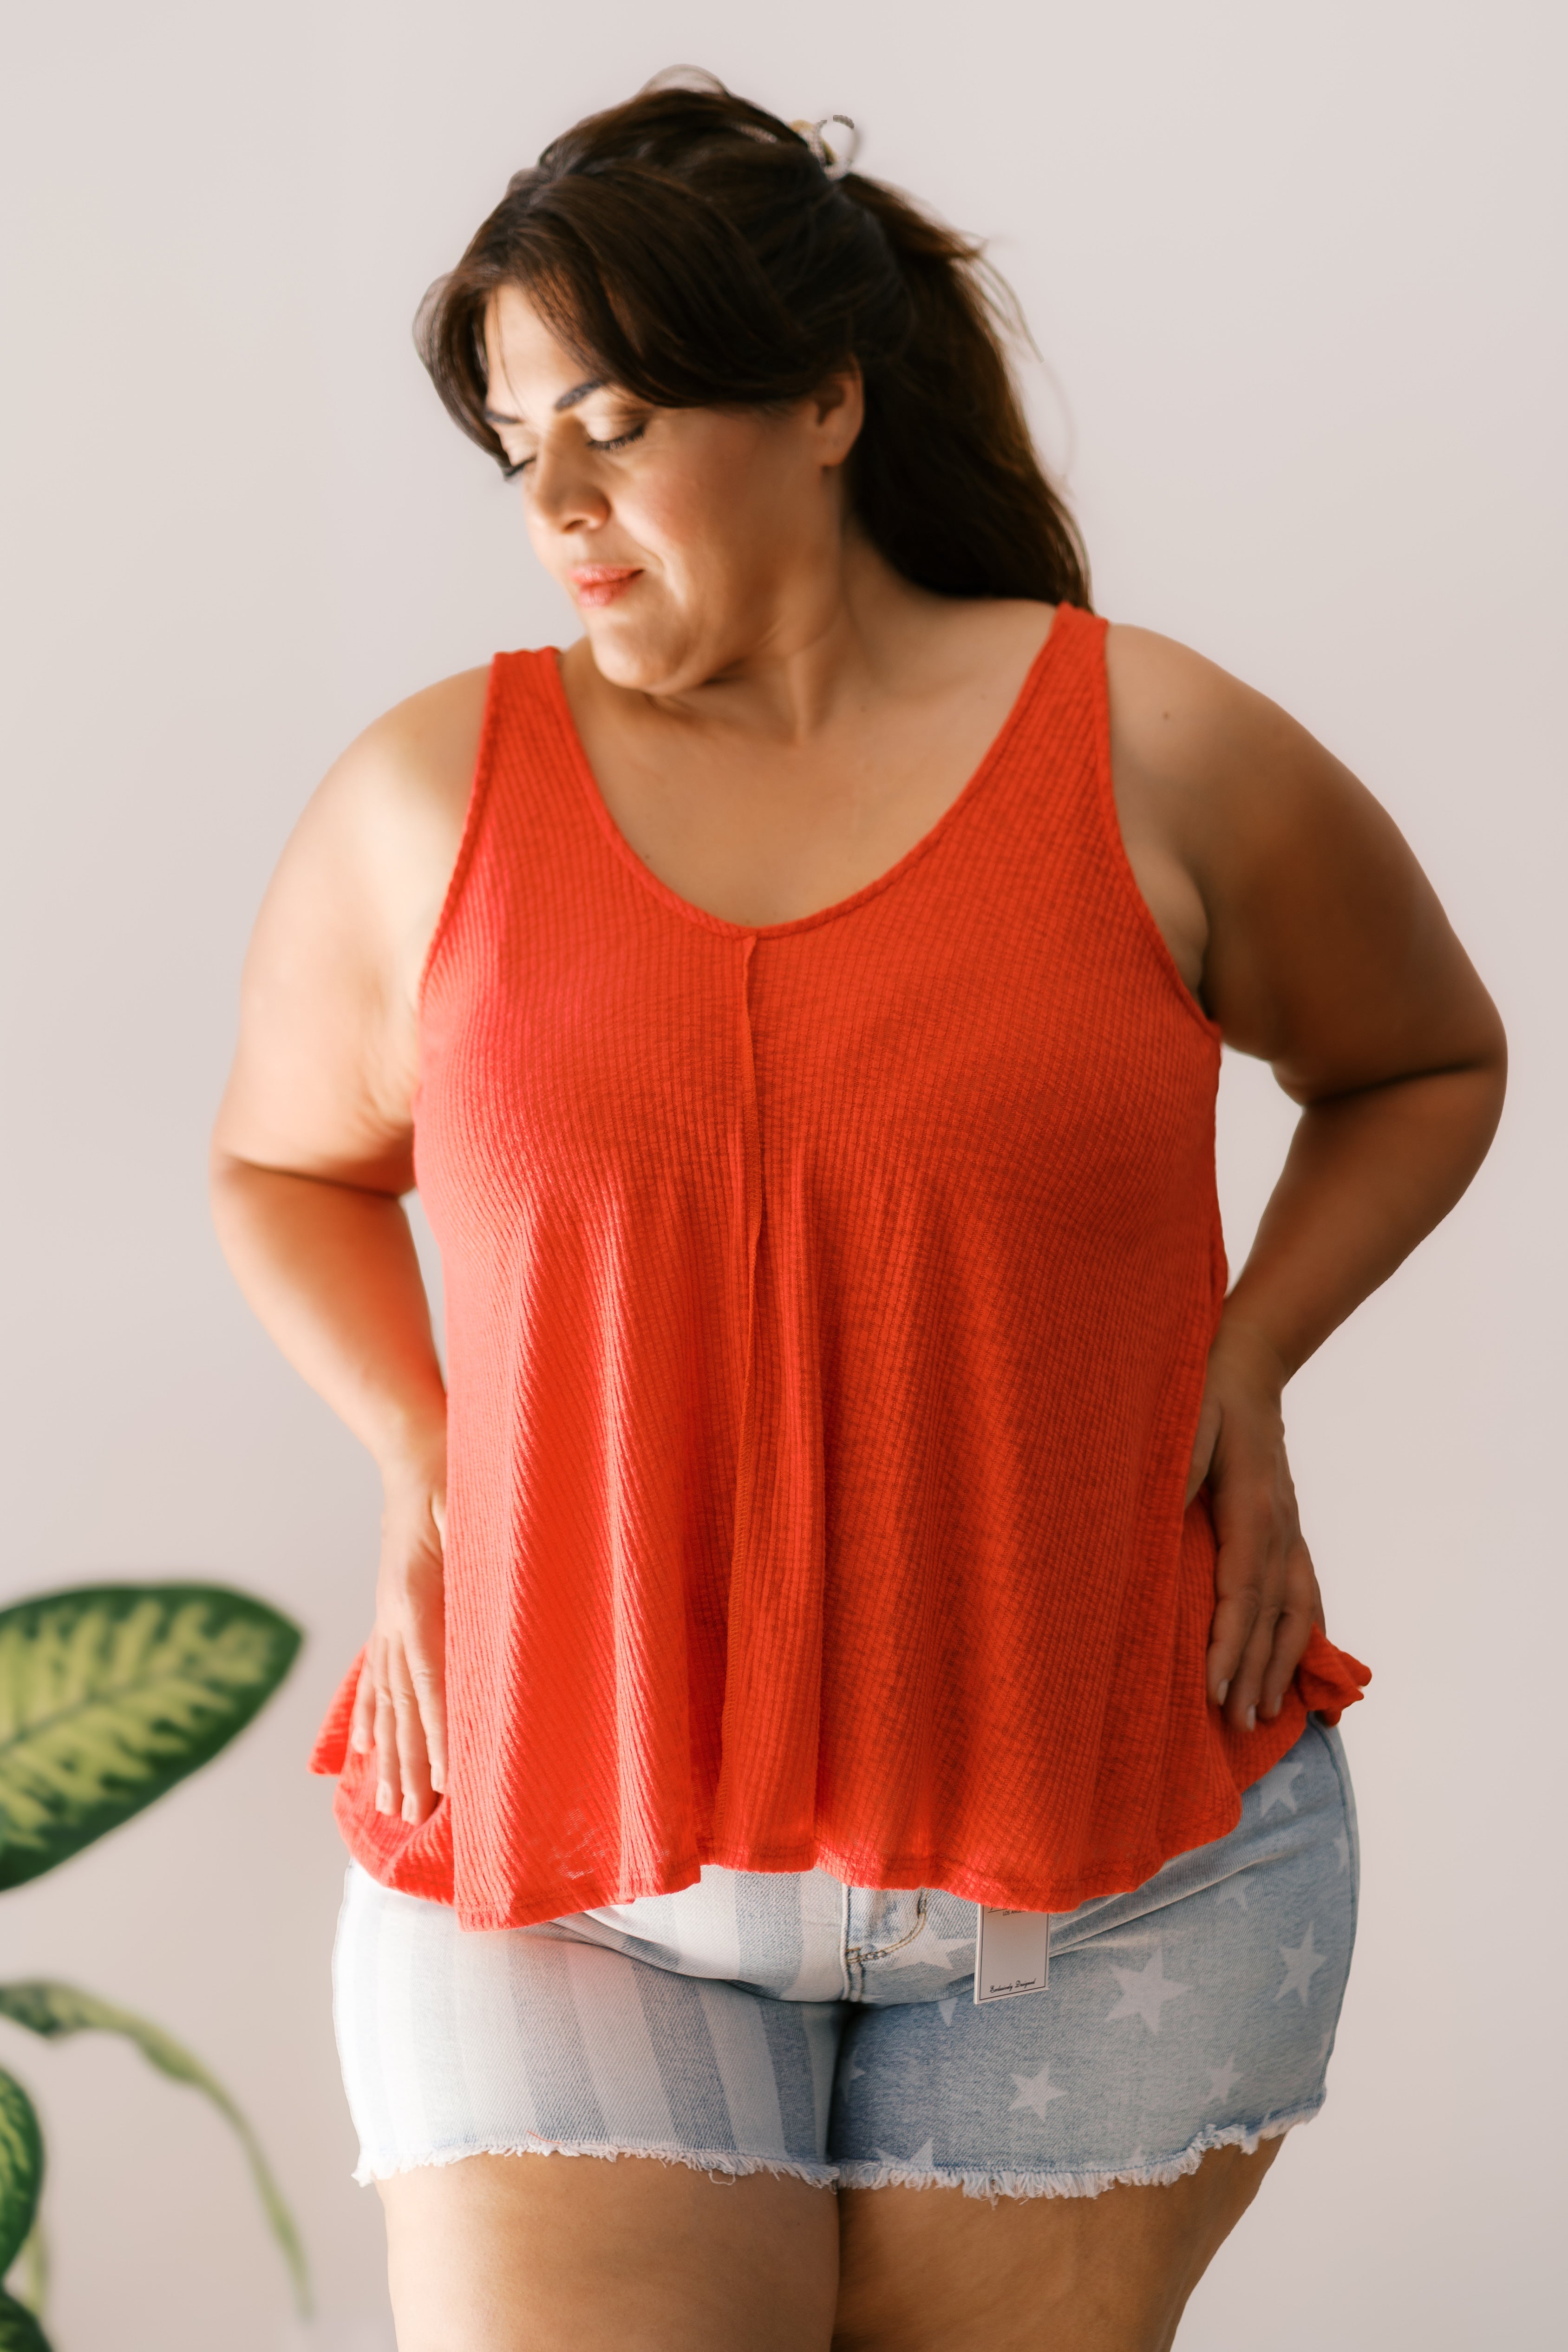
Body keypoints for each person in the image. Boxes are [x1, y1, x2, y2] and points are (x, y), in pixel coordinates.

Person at [210, 70, 1505, 2352]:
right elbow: (283, 1163)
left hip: (1124, 1879)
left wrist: (1248, 1346)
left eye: (610, 421)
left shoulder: (1154, 754)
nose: (561, 506)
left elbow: (1421, 1060)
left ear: (826, 400)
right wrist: (429, 1453)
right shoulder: (431, 797)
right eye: (521, 450)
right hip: (560, 1871)